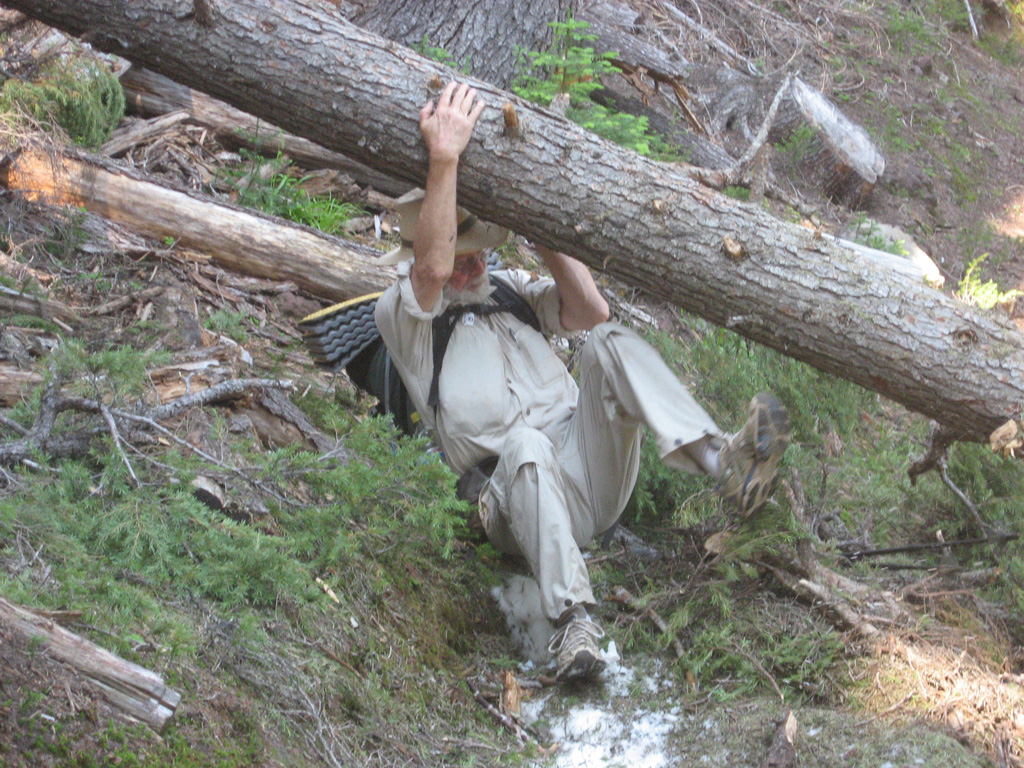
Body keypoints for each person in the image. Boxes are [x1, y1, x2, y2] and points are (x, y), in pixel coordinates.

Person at [373, 81, 790, 682]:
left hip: (587, 473)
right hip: (510, 500)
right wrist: (444, 159)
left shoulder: (512, 290)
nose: (471, 261)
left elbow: (591, 312)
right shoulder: (404, 315)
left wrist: (542, 235)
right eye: (460, 248)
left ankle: (722, 462)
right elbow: (434, 269)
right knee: (523, 443)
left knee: (607, 342)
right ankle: (574, 625)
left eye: (478, 247)